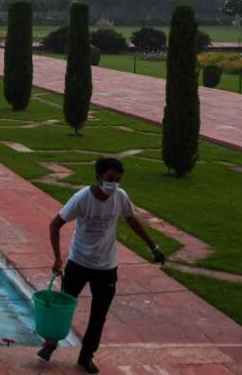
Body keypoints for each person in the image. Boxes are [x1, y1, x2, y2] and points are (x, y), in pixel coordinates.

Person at [39, 157, 166, 374]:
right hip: (78, 264)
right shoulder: (81, 198)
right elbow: (55, 224)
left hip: (107, 268)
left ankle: (86, 357)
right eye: (110, 179)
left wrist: (152, 246)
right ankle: (50, 345)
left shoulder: (121, 196)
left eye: (118, 180)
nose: (114, 184)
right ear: (98, 177)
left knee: (99, 315)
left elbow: (132, 220)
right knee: (62, 309)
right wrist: (58, 258)